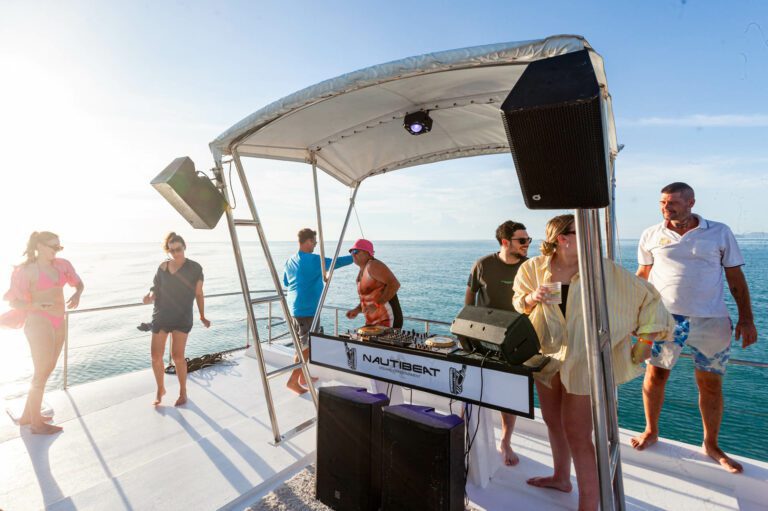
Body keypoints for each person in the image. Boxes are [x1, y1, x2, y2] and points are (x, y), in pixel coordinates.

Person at [513, 214, 674, 511]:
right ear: (563, 238)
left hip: (583, 358)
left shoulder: (601, 271)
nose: (593, 238)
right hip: (545, 353)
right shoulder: (532, 269)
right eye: (584, 232)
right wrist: (531, 297)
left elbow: (650, 299)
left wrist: (644, 342)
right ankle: (562, 477)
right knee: (552, 421)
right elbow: (518, 303)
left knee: (577, 431)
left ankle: (589, 503)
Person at [630, 182, 758, 474]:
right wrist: (634, 317)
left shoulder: (719, 232)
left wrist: (747, 318)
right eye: (663, 202)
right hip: (664, 320)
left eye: (673, 202)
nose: (666, 208)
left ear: (691, 202)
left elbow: (736, 278)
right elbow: (643, 278)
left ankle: (711, 444)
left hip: (711, 321)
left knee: (710, 384)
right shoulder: (651, 234)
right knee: (655, 376)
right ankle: (651, 430)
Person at [1, 231, 84, 434]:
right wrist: (35, 303)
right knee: (42, 370)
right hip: (38, 320)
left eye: (59, 247)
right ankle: (36, 424)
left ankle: (29, 416)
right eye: (53, 247)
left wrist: (77, 293)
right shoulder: (25, 271)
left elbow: (79, 283)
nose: (57, 251)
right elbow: (12, 301)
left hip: (59, 319)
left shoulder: (62, 265)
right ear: (39, 246)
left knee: (47, 369)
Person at [465, 220, 531, 467]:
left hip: (516, 339)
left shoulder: (530, 267)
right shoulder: (483, 265)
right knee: (474, 386)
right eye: (522, 240)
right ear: (506, 242)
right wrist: (467, 333)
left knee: (509, 393)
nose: (527, 245)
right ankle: (470, 435)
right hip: (483, 337)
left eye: (528, 240)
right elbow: (469, 300)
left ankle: (505, 440)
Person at [282, 228, 354, 395]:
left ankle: (302, 377)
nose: (315, 244)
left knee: (302, 346)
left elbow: (287, 282)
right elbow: (337, 262)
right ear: (307, 242)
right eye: (314, 242)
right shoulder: (314, 260)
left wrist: (317, 276)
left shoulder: (290, 260)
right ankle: (293, 381)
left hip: (295, 309)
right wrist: (355, 256)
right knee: (307, 347)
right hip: (307, 311)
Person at [142, 232, 210, 406]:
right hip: (161, 315)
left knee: (177, 356)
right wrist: (150, 296)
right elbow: (155, 288)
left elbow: (199, 293)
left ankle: (183, 391)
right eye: (171, 250)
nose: (175, 253)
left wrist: (202, 315)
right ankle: (160, 389)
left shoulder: (195, 268)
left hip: (182, 316)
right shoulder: (163, 267)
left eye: (178, 249)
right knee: (156, 357)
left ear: (184, 247)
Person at [345, 239, 402, 328]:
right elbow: (368, 300)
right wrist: (357, 310)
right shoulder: (360, 274)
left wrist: (376, 305)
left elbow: (395, 284)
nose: (353, 254)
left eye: (356, 251)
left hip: (388, 321)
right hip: (372, 323)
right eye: (351, 252)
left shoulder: (373, 265)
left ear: (368, 253)